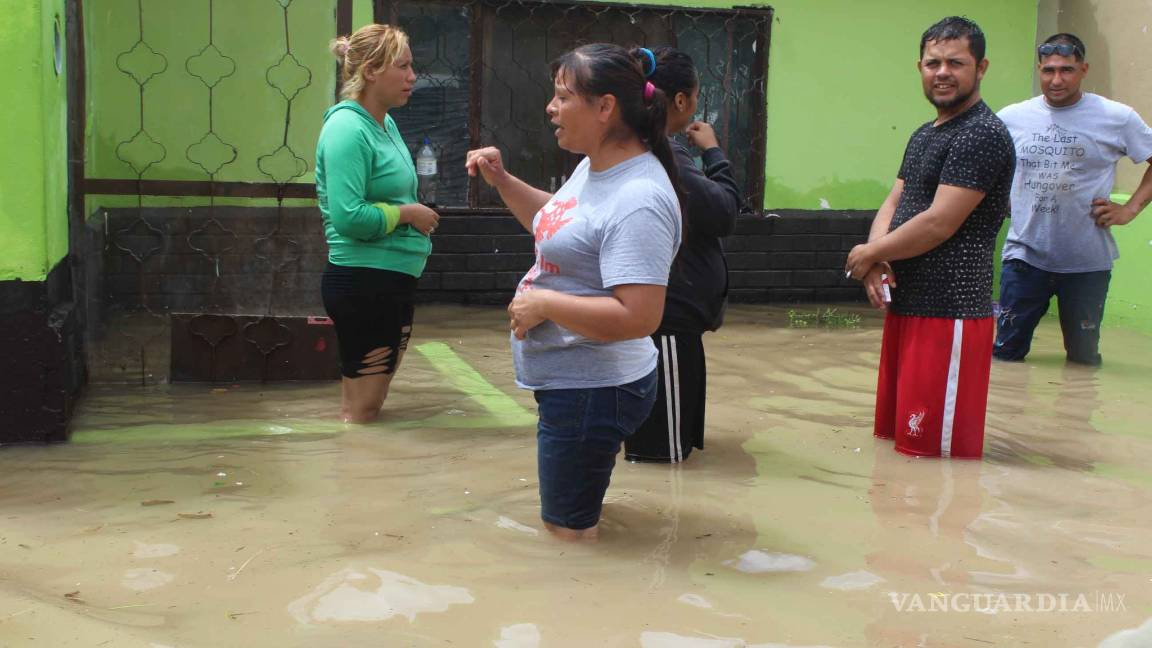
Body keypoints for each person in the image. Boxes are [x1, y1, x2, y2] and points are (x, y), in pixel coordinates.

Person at [465, 44, 682, 541]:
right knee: (571, 521)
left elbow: (639, 315)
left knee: (568, 540)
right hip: (577, 382)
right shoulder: (596, 165)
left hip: (593, 389)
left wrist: (543, 304)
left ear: (605, 108)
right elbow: (561, 226)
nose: (551, 107)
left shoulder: (639, 199)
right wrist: (503, 181)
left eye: (563, 96)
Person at [845, 17, 1015, 459]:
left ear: (981, 68)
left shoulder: (983, 134)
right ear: (920, 66)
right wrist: (876, 261)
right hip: (907, 307)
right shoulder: (926, 133)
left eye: (956, 63)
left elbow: (941, 221)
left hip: (950, 315)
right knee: (896, 447)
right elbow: (895, 200)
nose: (942, 72)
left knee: (932, 460)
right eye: (933, 62)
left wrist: (868, 253)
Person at [993, 33, 1152, 366]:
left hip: (1087, 264)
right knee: (1005, 356)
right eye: (1048, 70)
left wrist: (1130, 210)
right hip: (1024, 257)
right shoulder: (1011, 118)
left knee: (1083, 359)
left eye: (1066, 70)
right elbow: (985, 167)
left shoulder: (1117, 117)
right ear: (1039, 69)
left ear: (1084, 69)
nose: (1056, 80)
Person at [316, 24, 440, 423]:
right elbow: (348, 217)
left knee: (368, 410)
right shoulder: (347, 128)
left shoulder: (384, 124)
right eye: (402, 67)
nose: (412, 76)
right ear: (371, 71)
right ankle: (350, 478)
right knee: (361, 413)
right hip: (364, 281)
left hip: (390, 280)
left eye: (411, 66)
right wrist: (409, 214)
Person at [623, 46, 740, 464]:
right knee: (663, 464)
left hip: (666, 323)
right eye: (694, 95)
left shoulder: (645, 148)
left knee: (665, 453)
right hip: (667, 325)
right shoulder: (665, 154)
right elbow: (724, 211)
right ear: (679, 101)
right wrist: (714, 152)